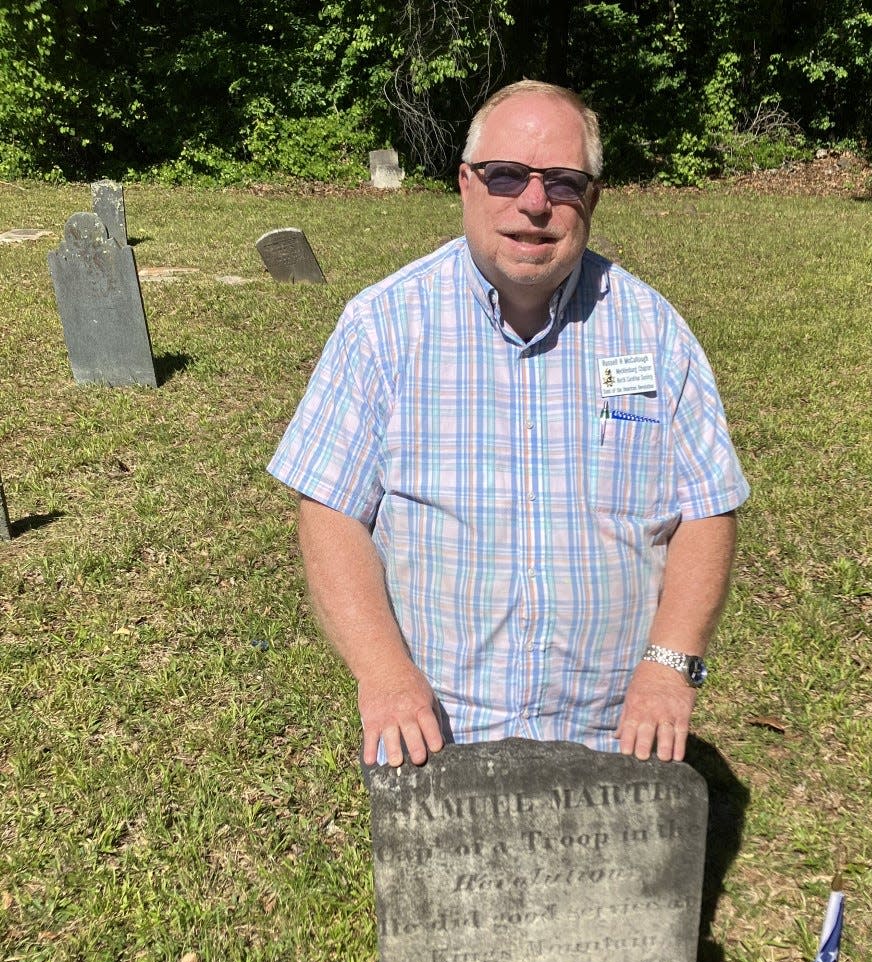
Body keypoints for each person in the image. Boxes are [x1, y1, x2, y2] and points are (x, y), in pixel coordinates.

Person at [268, 80, 749, 770]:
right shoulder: (382, 328)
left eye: (561, 181)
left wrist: (669, 667)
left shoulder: (656, 333)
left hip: (612, 725)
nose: (533, 203)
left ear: (592, 198)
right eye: (506, 176)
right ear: (466, 184)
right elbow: (331, 512)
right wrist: (384, 674)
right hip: (435, 727)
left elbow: (706, 509)